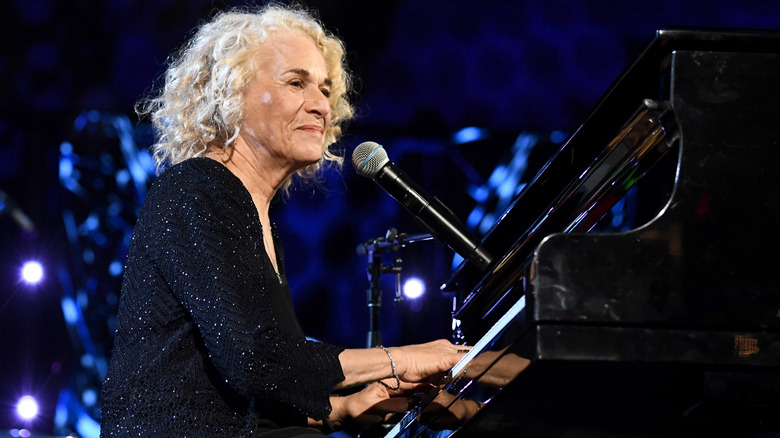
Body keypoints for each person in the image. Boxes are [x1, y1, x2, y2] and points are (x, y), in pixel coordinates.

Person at [99, 3, 466, 437]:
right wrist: (400, 359)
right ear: (230, 95)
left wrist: (338, 409)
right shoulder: (195, 190)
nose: (321, 106)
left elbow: (232, 390)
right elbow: (256, 359)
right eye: (297, 83)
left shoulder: (255, 215)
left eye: (326, 90)